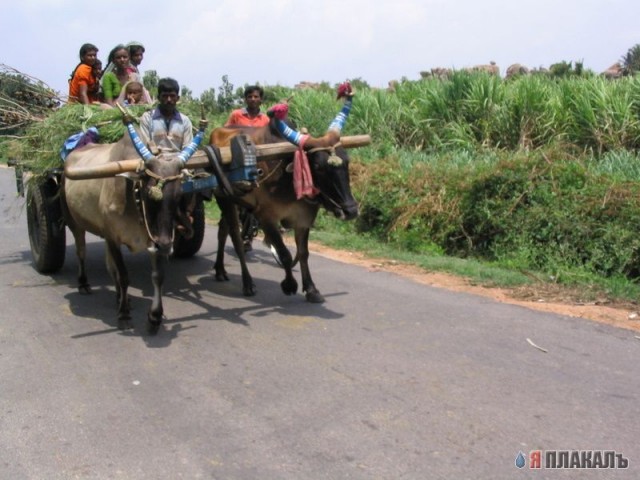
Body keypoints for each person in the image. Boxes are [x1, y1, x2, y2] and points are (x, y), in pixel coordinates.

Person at [224, 85, 270, 251]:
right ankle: (246, 232)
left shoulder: (265, 119)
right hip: (239, 160)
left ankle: (251, 233)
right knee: (243, 197)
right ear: (245, 99)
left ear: (261, 100)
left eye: (256, 97)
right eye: (250, 97)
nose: (253, 99)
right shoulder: (237, 115)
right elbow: (226, 132)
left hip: (259, 162)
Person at [139, 77, 193, 152]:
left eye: (172, 96)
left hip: (178, 161)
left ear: (177, 98)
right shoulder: (147, 118)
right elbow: (144, 146)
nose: (169, 100)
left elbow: (187, 149)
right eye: (165, 96)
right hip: (154, 160)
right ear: (158, 98)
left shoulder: (185, 121)